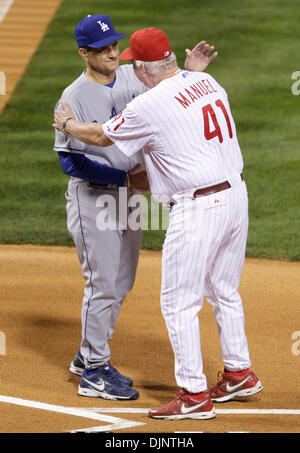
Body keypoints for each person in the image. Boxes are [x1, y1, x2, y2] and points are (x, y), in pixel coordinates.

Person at [53, 26, 264, 419]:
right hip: (236, 197)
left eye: (136, 64)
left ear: (149, 67)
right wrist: (190, 71)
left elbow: (100, 137)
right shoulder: (206, 81)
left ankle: (193, 395)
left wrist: (65, 125)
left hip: (199, 207)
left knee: (178, 303)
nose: (132, 70)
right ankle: (239, 372)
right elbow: (181, 91)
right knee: (223, 289)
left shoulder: (149, 104)